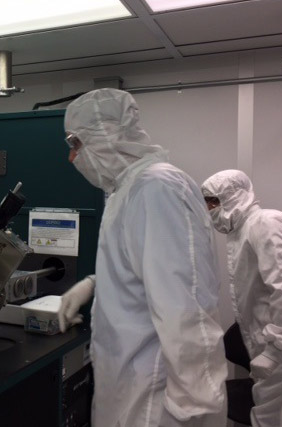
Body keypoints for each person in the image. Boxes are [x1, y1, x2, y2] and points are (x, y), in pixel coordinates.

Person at [57, 88, 227, 427]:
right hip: (126, 387)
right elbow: (145, 269)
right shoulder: (126, 190)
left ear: (108, 135)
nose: (72, 159)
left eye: (76, 144)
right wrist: (94, 284)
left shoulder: (157, 187)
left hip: (156, 401)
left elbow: (185, 308)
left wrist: (193, 406)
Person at [201, 169, 282, 427]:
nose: (209, 209)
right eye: (206, 203)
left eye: (214, 201)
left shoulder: (269, 223)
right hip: (272, 347)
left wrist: (275, 351)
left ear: (236, 196)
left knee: (277, 420)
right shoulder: (242, 232)